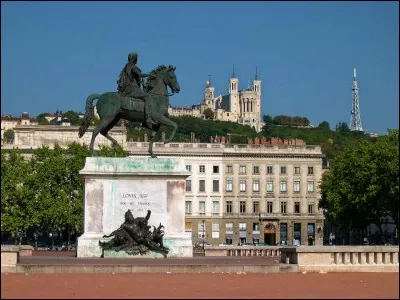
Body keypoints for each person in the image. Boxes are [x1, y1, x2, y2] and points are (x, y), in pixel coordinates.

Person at [117, 52, 156, 128]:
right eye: (136, 58)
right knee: (147, 96)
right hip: (132, 89)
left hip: (129, 88)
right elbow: (140, 75)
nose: (137, 60)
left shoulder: (127, 66)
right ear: (134, 59)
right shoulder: (132, 66)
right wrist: (150, 75)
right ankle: (148, 118)